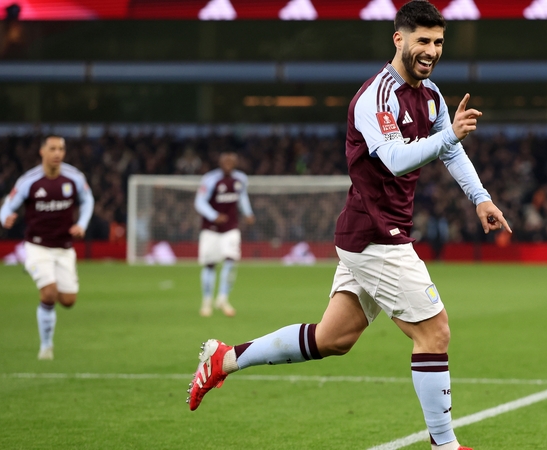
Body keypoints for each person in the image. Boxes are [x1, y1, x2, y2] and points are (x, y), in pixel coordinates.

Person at [186, 2, 510, 449]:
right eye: (422, 40)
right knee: (434, 331)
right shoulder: (375, 98)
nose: (431, 50)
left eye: (438, 42)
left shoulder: (431, 96)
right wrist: (449, 134)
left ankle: (226, 358)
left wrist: (481, 198)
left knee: (331, 338)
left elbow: (450, 152)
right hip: (377, 237)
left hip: (371, 234)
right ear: (398, 39)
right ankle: (445, 445)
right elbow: (395, 160)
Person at [0, 135, 94, 360]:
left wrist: (81, 224)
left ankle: (48, 281)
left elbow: (88, 200)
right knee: (49, 293)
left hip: (64, 247)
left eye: (61, 148)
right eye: (52, 148)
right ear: (42, 152)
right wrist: (5, 217)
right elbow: (8, 204)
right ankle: (46, 347)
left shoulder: (74, 178)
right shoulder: (29, 181)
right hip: (37, 246)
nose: (57, 153)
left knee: (69, 300)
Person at [194, 152, 255, 317]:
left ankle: (222, 298)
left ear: (235, 163)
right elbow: (199, 202)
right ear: (220, 163)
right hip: (211, 229)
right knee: (210, 265)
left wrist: (247, 212)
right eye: (225, 161)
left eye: (231, 161)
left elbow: (242, 196)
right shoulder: (210, 179)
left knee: (231, 260)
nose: (228, 164)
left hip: (231, 228)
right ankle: (207, 301)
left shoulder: (240, 178)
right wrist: (214, 216)